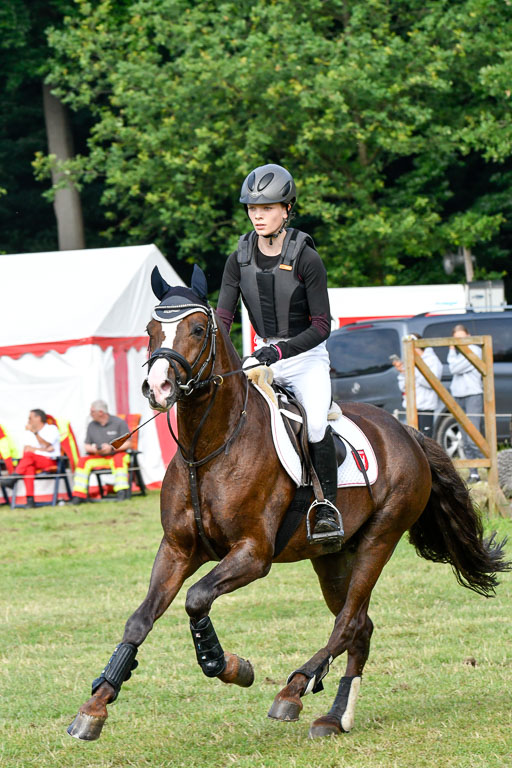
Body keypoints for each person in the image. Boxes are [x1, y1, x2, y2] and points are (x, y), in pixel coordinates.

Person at [217, 163, 343, 543]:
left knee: (317, 424)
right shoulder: (237, 258)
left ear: (287, 209)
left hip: (305, 359)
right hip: (258, 361)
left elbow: (322, 325)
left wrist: (279, 351)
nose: (258, 215)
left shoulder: (307, 258)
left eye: (267, 207)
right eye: (253, 208)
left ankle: (327, 510)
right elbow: (223, 316)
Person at [71, 400, 132, 504]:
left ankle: (122, 491)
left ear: (100, 412)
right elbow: (86, 445)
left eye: (92, 411)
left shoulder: (119, 423)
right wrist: (94, 449)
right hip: (99, 456)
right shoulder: (91, 425)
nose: (90, 414)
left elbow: (128, 444)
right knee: (82, 461)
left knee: (119, 460)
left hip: (117, 454)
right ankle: (78, 495)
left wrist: (112, 448)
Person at [0, 409, 61, 508]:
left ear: (38, 418)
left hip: (50, 461)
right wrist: (41, 449)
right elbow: (28, 448)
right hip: (34, 461)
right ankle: (30, 500)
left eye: (30, 418)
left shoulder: (51, 429)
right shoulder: (28, 433)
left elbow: (46, 444)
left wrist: (34, 434)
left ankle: (13, 478)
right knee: (28, 467)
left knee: (29, 456)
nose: (28, 421)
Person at [447, 324, 483, 483]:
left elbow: (454, 368)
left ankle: (488, 468)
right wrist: (453, 351)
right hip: (458, 396)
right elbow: (452, 367)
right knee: (463, 435)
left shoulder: (474, 350)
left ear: (468, 335)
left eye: (462, 337)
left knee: (473, 435)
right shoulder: (457, 353)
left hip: (473, 395)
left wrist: (452, 350)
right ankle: (473, 473)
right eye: (456, 339)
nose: (459, 341)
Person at [392, 335, 443, 439]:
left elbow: (431, 383)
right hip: (411, 407)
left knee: (426, 439)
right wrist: (402, 373)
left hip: (426, 406)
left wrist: (413, 373)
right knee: (413, 439)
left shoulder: (432, 360)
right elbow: (403, 387)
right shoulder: (410, 360)